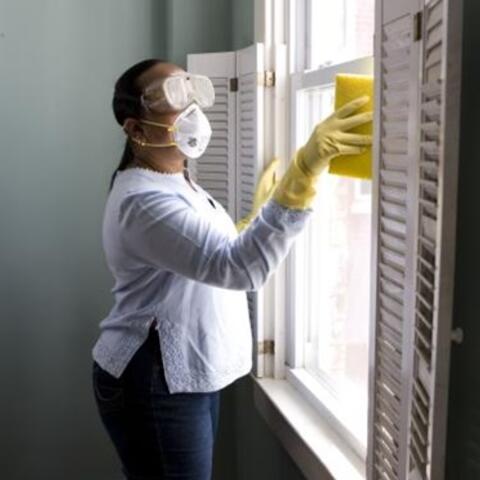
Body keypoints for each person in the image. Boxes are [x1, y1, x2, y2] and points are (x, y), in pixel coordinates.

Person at [91, 58, 372, 480]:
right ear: (135, 129)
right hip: (153, 376)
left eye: (189, 90)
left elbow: (203, 251)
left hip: (180, 372)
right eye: (171, 97)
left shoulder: (174, 180)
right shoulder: (142, 200)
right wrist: (303, 172)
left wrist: (259, 215)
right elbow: (239, 269)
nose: (190, 109)